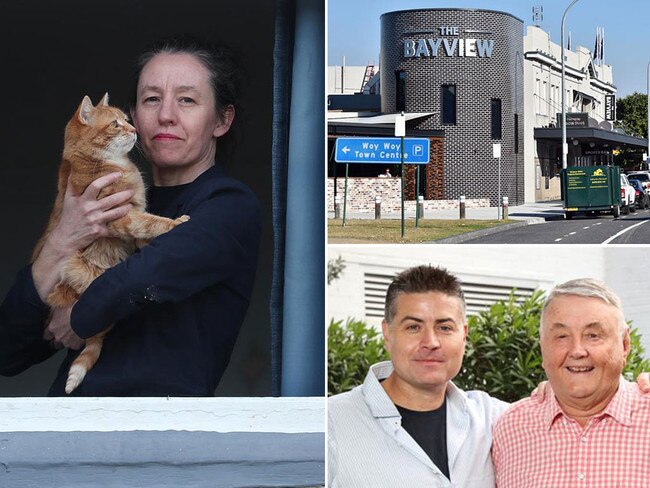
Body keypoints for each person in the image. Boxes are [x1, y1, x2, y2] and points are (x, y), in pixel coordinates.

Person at [0, 34, 261, 396]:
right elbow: (9, 351)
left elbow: (145, 276)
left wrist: (78, 315)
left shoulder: (229, 205)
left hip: (159, 436)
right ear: (133, 118)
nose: (166, 115)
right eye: (152, 99)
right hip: (68, 427)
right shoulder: (101, 204)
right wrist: (62, 240)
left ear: (221, 120)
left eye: (186, 100)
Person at [328, 267, 650, 488]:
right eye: (413, 326)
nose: (431, 342)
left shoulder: (495, 419)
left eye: (445, 327)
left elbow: (568, 392)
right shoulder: (331, 424)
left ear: (463, 335)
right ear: (387, 333)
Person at [492, 278, 650, 487]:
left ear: (625, 345)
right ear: (542, 348)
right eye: (561, 336)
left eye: (593, 335)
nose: (577, 351)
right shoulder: (511, 427)